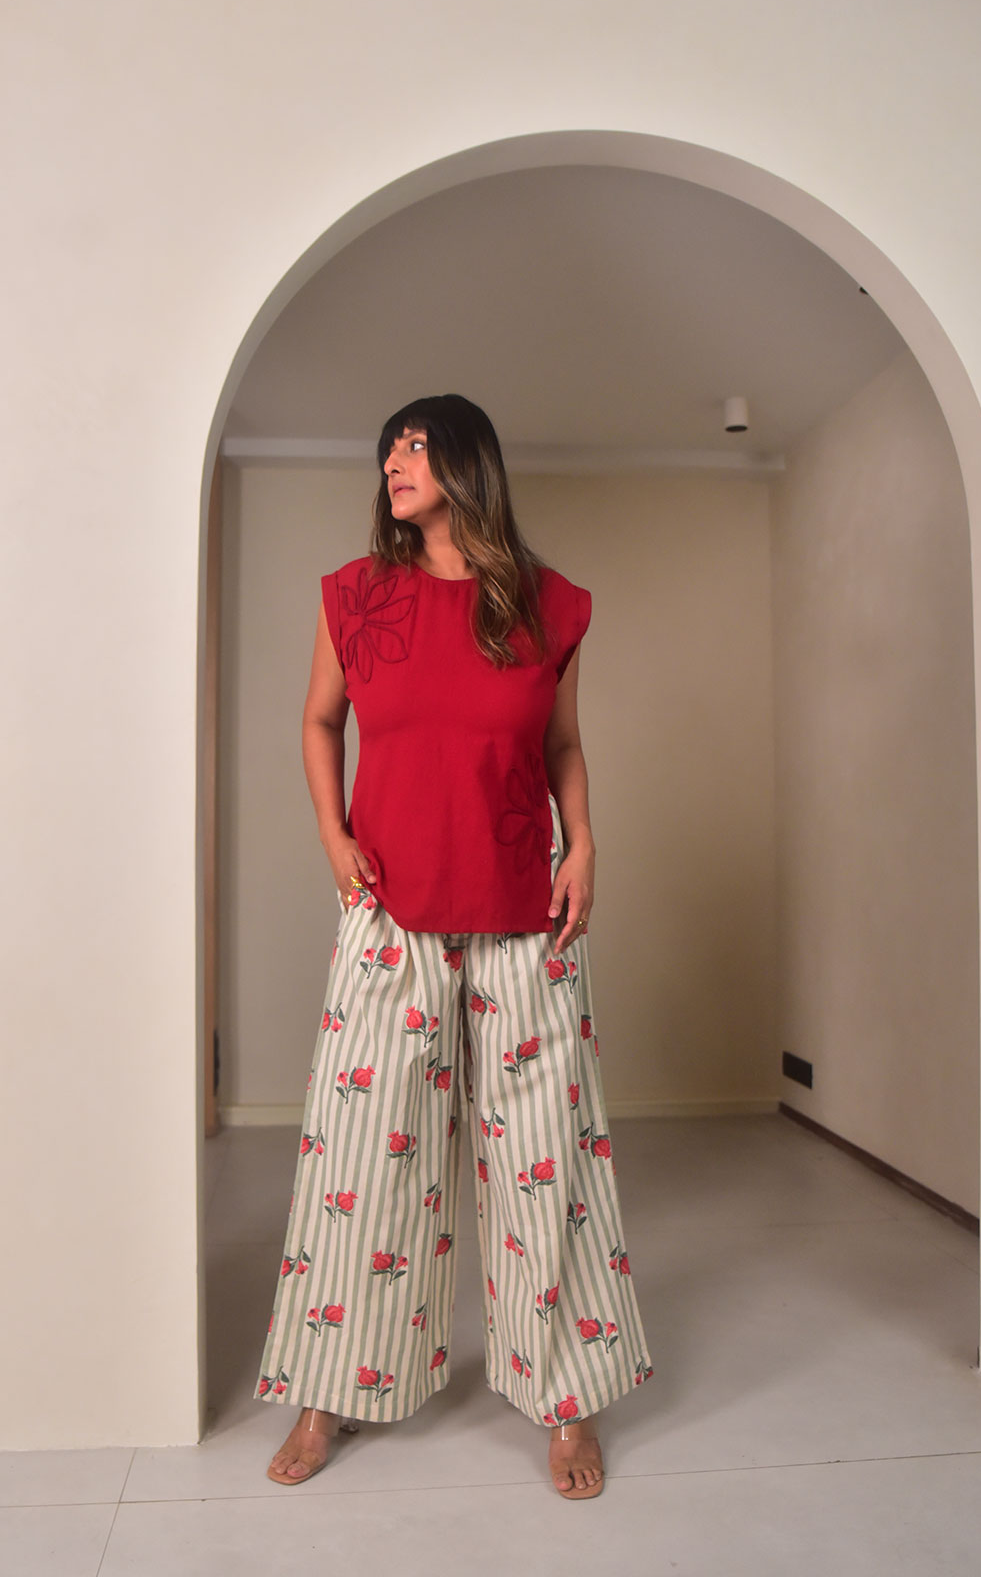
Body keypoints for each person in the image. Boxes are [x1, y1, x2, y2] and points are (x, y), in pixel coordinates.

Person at [256, 394, 651, 1500]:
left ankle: (566, 1401)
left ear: (469, 462)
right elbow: (319, 720)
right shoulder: (356, 597)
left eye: (416, 443)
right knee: (360, 1164)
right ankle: (328, 1392)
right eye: (388, 446)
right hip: (390, 915)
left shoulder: (549, 604)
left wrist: (585, 843)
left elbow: (563, 744)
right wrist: (334, 836)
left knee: (548, 1166)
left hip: (526, 912)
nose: (394, 459)